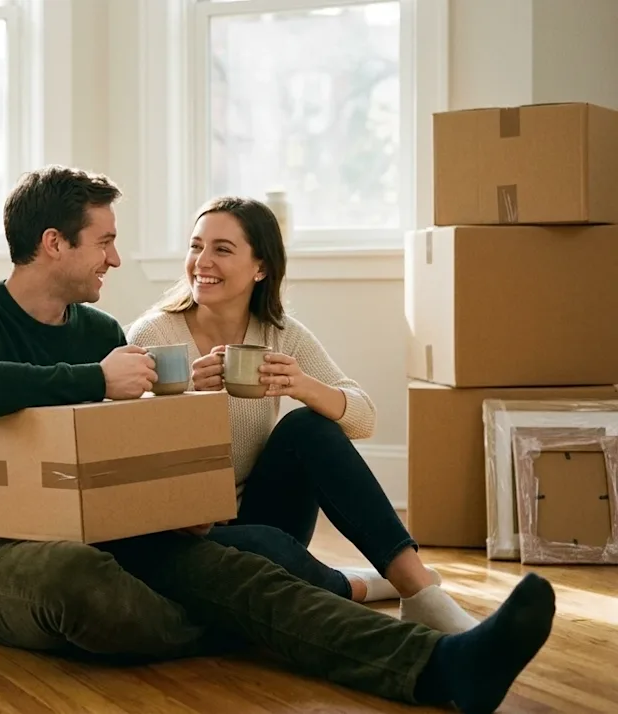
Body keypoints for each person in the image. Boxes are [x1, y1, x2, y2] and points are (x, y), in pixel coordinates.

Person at [0, 165, 555, 713]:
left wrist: (172, 509)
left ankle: (443, 665)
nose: (116, 259)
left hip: (118, 536)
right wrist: (96, 378)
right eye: (106, 241)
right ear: (54, 243)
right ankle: (250, 623)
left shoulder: (97, 328)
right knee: (83, 578)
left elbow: (121, 449)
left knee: (245, 575)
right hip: (0, 555)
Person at [125, 196, 477, 634]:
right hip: (182, 529)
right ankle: (358, 586)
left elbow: (363, 418)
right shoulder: (154, 333)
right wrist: (187, 395)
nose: (202, 262)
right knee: (267, 548)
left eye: (222, 249)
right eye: (196, 246)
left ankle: (420, 591)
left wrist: (301, 385)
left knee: (309, 426)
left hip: (257, 510)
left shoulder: (280, 334)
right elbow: (120, 444)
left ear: (261, 267)